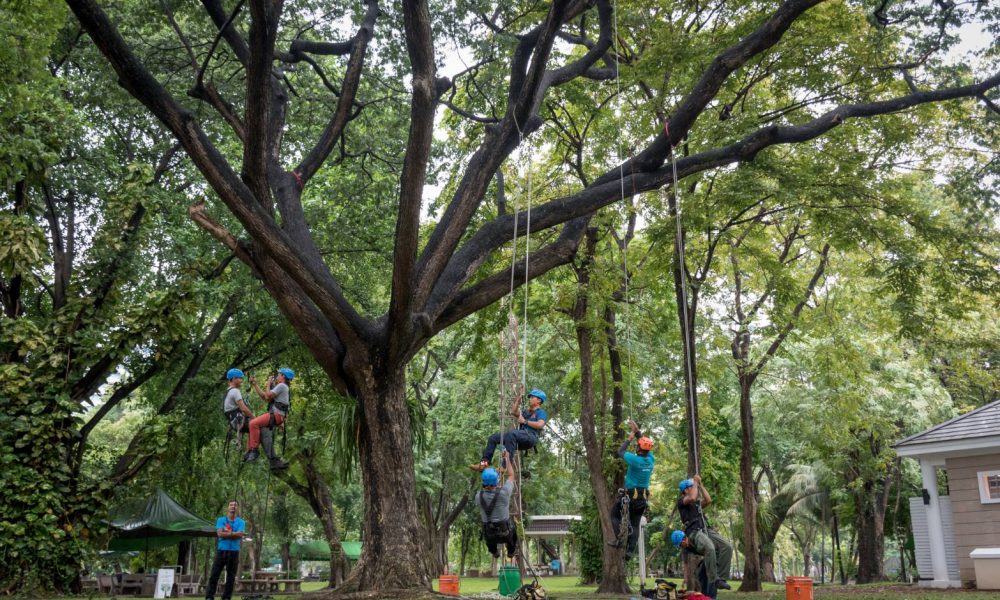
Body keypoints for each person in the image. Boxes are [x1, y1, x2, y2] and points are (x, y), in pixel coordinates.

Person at [675, 476, 733, 596]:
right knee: (710, 548)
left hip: (706, 529)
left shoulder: (696, 504)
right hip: (695, 532)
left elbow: (708, 500)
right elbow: (691, 497)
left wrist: (700, 485)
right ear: (685, 490)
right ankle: (714, 579)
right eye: (691, 486)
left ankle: (721, 578)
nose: (693, 487)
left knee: (727, 547)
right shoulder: (682, 501)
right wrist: (695, 482)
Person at [470, 389, 548, 471]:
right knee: (493, 438)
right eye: (530, 397)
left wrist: (525, 421)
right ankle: (484, 464)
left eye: (532, 397)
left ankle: (504, 466)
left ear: (539, 400)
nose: (530, 399)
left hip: (530, 437)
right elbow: (514, 412)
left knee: (512, 434)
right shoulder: (526, 412)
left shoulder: (541, 412)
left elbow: (540, 425)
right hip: (519, 437)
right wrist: (518, 402)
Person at [609, 419, 654, 559]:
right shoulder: (651, 460)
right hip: (642, 499)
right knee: (635, 525)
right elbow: (644, 444)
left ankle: (618, 540)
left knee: (614, 516)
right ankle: (629, 552)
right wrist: (638, 431)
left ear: (638, 448)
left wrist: (630, 436)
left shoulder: (635, 460)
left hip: (630, 496)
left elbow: (620, 451)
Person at [243, 368, 294, 469]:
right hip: (276, 416)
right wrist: (255, 384)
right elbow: (265, 397)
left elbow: (267, 395)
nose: (277, 376)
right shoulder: (281, 387)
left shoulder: (282, 386)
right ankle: (253, 452)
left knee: (253, 423)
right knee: (258, 429)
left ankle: (254, 450)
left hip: (276, 415)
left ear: (283, 376)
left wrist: (268, 383)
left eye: (279, 374)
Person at [475, 450, 518, 559]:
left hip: (490, 535)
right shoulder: (504, 493)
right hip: (505, 533)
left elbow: (488, 489)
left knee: (488, 537)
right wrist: (507, 458)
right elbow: (511, 475)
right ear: (497, 481)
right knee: (513, 533)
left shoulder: (478, 496)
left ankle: (494, 552)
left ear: (483, 482)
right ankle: (511, 551)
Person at [205, 500, 244, 600]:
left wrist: (226, 532)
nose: (233, 507)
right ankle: (209, 597)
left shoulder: (241, 522)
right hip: (221, 551)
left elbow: (240, 535)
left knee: (231, 577)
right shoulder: (221, 520)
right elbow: (219, 534)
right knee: (214, 574)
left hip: (234, 551)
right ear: (228, 507)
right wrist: (233, 533)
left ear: (237, 508)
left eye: (235, 505)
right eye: (231, 505)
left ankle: (226, 597)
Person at [223, 369, 253, 433]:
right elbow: (243, 409)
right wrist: (254, 418)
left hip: (234, 421)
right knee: (261, 426)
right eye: (240, 378)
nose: (241, 381)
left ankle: (251, 443)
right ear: (234, 379)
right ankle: (253, 443)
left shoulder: (228, 391)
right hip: (238, 421)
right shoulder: (235, 391)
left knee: (254, 428)